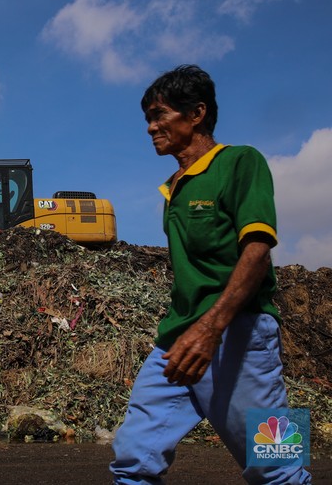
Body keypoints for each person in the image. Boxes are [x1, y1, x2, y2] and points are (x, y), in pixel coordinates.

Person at [109, 65, 311, 484]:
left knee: (276, 464)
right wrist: (192, 331)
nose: (150, 127)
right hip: (177, 339)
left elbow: (257, 251)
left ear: (197, 113)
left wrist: (211, 328)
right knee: (134, 457)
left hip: (240, 332)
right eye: (147, 118)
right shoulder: (172, 188)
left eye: (159, 114)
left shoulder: (240, 162)